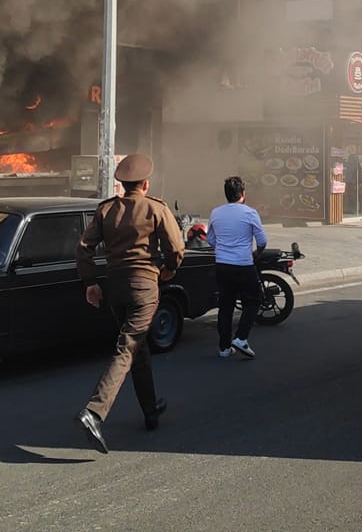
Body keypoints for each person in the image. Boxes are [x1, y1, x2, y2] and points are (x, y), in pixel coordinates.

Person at [74, 154, 185, 454]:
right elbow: (176, 248)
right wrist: (170, 269)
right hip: (144, 287)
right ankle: (94, 412)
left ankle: (150, 410)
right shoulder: (156, 208)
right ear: (145, 184)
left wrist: (90, 282)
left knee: (138, 348)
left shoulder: (106, 209)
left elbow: (83, 248)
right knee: (128, 347)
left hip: (115, 288)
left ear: (122, 185)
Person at [206, 175, 267, 359]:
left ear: (226, 194)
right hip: (243, 264)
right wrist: (256, 253)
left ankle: (224, 348)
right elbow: (262, 241)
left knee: (225, 306)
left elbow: (210, 239)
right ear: (243, 193)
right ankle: (241, 337)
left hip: (222, 265)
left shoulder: (215, 213)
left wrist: (222, 250)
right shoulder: (250, 213)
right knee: (254, 300)